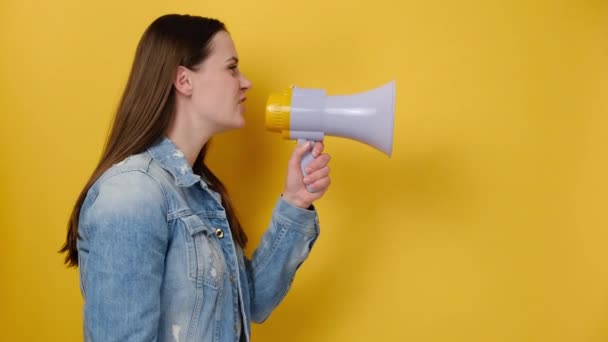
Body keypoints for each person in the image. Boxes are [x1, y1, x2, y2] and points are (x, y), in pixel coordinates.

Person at [60, 13, 331, 342]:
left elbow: (251, 302)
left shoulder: (197, 194)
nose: (246, 82)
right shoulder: (132, 193)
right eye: (231, 68)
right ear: (184, 80)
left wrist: (296, 201)